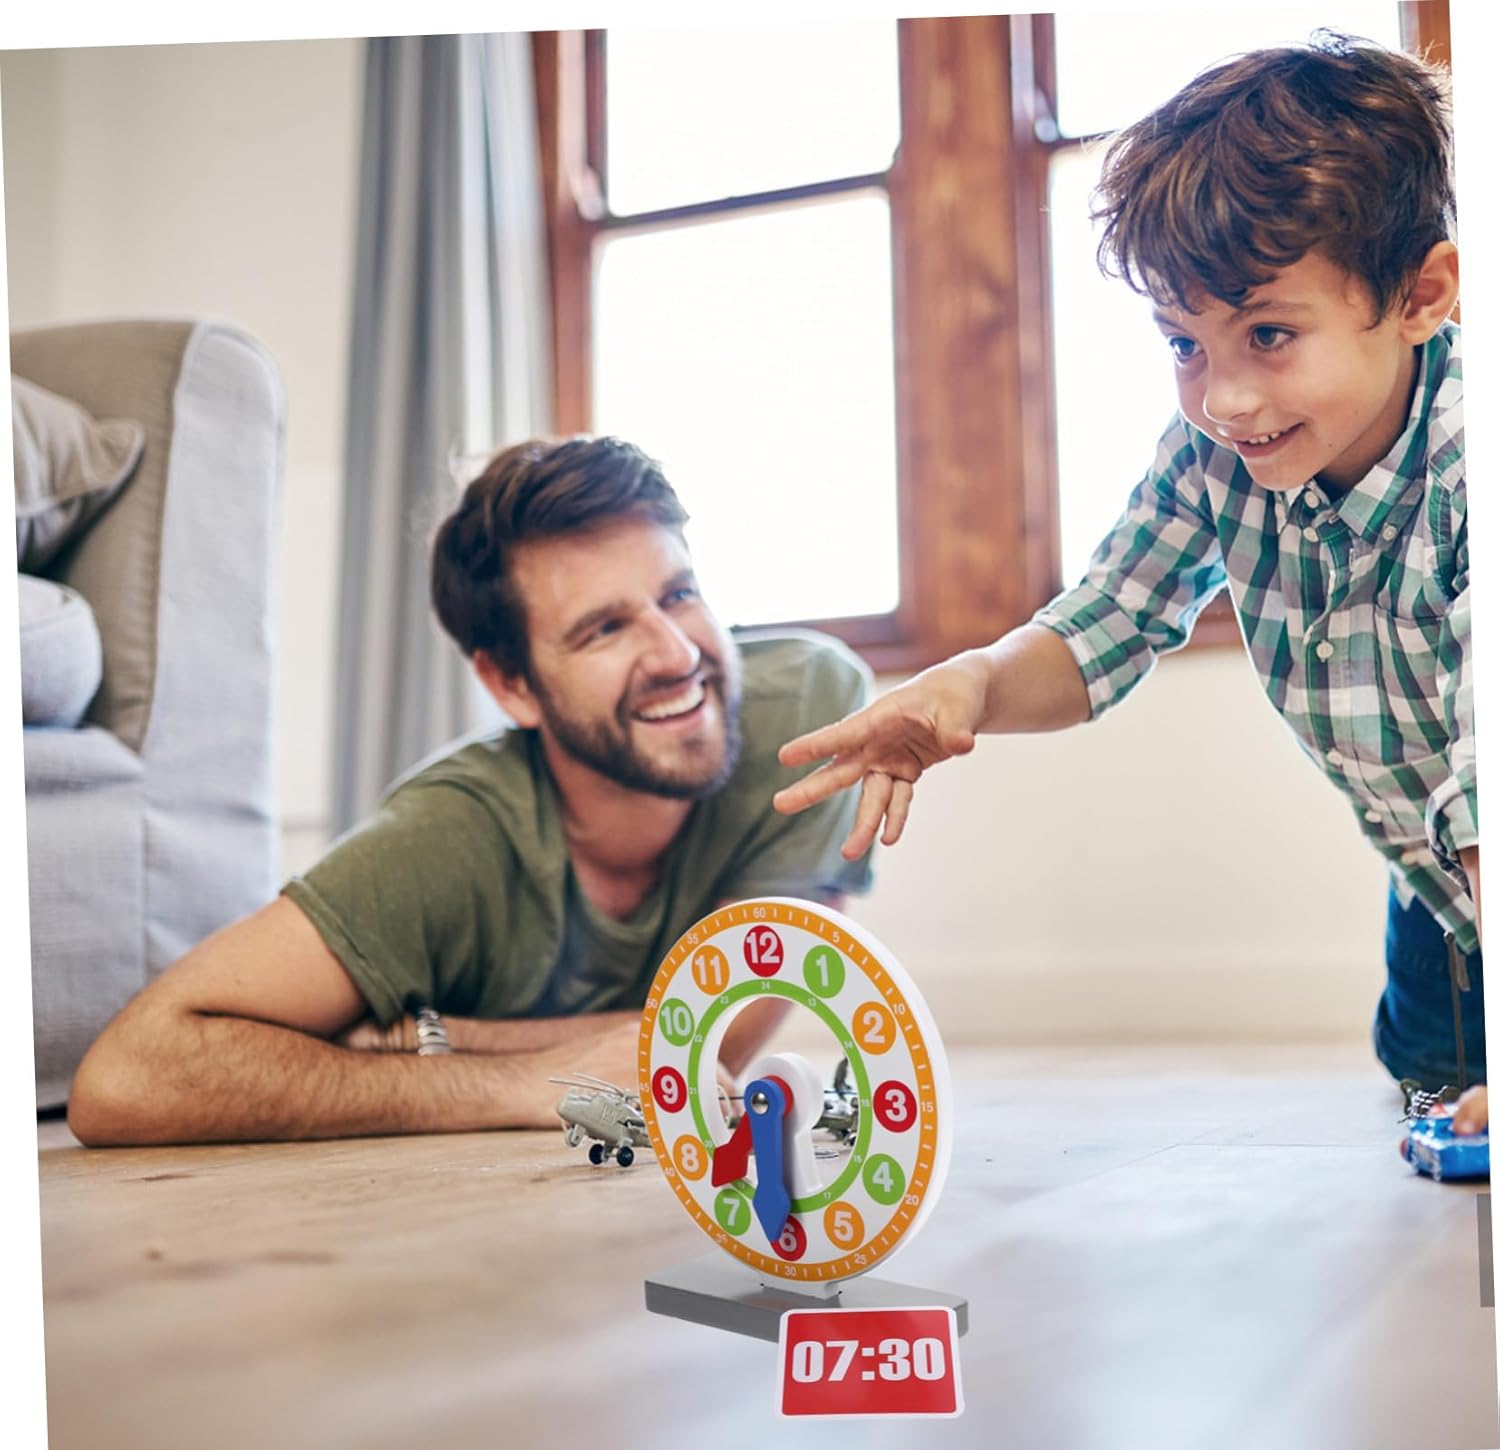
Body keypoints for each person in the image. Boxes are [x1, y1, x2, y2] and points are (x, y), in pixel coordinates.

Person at [773, 34, 1486, 1134]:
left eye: (1268, 334)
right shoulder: (1216, 451)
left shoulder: (1469, 465)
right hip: (1437, 888)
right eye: (1185, 345)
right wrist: (973, 683)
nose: (1224, 399)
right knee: (1435, 1101)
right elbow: (1109, 620)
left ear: (1422, 295)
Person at [67, 436, 874, 1145]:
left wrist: (429, 1038)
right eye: (605, 628)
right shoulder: (446, 837)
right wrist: (520, 1083)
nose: (676, 654)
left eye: (679, 595)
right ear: (511, 684)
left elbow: (723, 1037)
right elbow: (124, 1079)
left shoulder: (809, 716)